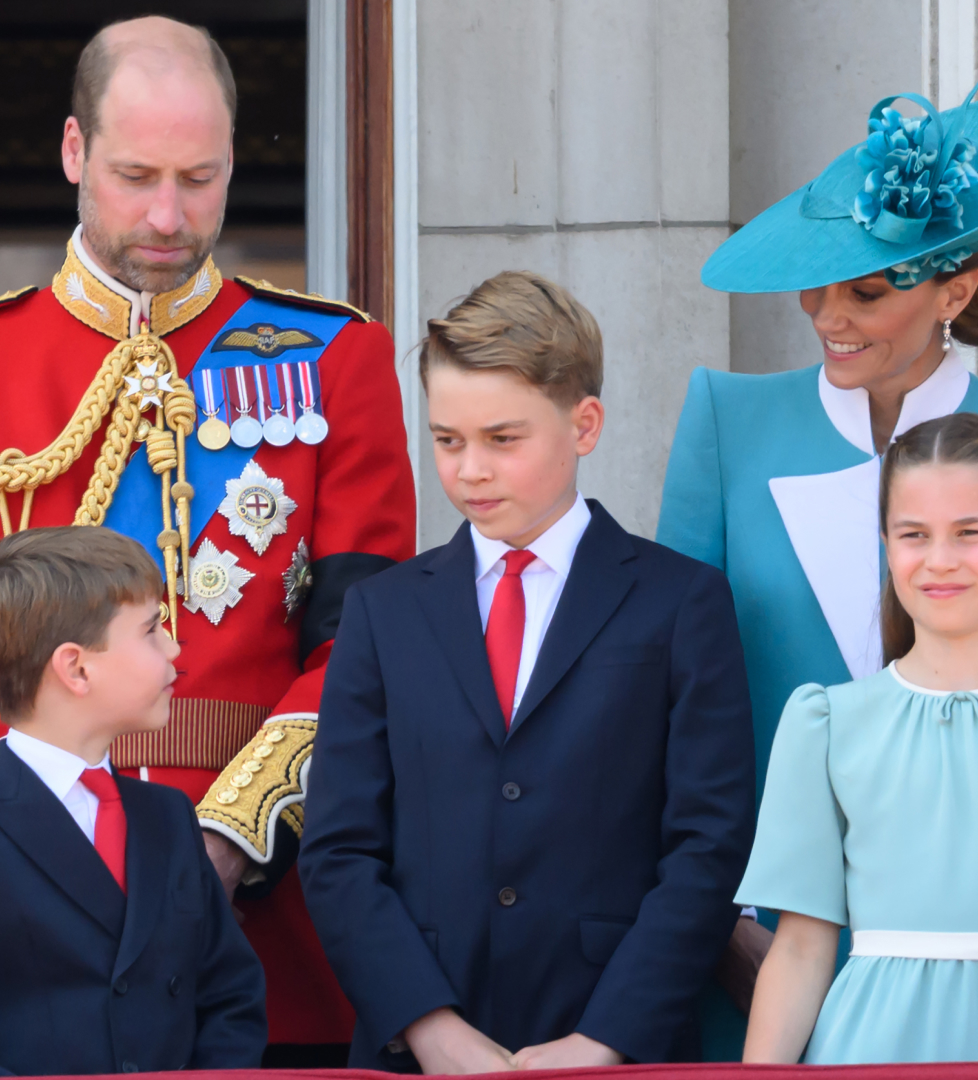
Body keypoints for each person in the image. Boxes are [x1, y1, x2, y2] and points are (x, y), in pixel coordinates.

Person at [0, 16, 415, 1059]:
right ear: (72, 154)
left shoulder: (335, 356)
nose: (168, 215)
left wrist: (232, 835)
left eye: (202, 178)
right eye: (138, 175)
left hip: (264, 893)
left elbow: (366, 648)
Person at [656, 82, 978, 1054]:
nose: (827, 315)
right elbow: (668, 697)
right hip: (757, 943)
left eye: (867, 290)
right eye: (818, 282)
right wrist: (719, 921)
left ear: (957, 292)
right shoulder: (728, 420)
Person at [297, 271, 756, 1071]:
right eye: (446, 440)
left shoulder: (682, 601)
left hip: (617, 1038)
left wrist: (605, 1040)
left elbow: (708, 846)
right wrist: (430, 1030)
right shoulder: (382, 611)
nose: (469, 470)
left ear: (585, 424)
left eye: (502, 439)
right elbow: (338, 851)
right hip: (419, 1047)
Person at [737, 413, 978, 1063]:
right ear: (887, 547)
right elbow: (803, 947)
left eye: (970, 533)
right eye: (913, 535)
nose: (939, 560)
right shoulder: (828, 723)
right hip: (872, 1049)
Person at [0, 526, 267, 1075]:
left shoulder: (166, 816)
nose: (173, 647)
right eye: (151, 630)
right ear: (76, 668)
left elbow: (228, 993)